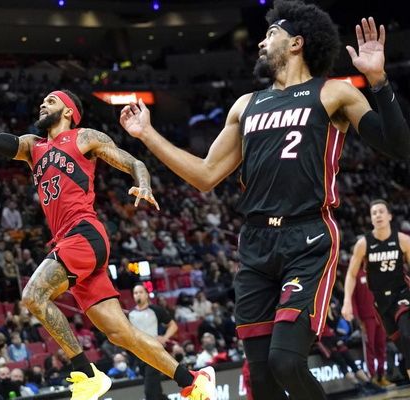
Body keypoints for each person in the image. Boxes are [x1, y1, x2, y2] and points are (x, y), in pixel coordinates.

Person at [121, 0, 410, 395]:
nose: (260, 42)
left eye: (271, 34)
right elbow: (205, 176)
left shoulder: (333, 93)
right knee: (260, 377)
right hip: (256, 243)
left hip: (307, 237)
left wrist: (378, 81)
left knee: (285, 362)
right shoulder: (246, 105)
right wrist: (146, 134)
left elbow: (398, 146)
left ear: (296, 43)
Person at [0, 54, 215, 400]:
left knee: (33, 296)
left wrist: (144, 184)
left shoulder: (84, 137)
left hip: (83, 233)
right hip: (73, 244)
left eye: (51, 100)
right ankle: (192, 380)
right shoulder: (32, 146)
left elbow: (134, 162)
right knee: (122, 334)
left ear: (68, 111)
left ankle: (87, 374)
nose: (43, 104)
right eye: (43, 101)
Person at [342, 199, 410, 381]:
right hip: (381, 303)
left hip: (402, 295)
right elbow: (351, 275)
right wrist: (347, 301)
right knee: (404, 347)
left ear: (390, 216)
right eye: (374, 213)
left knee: (408, 336)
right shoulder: (363, 244)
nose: (378, 215)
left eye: (381, 211)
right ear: (371, 219)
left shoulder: (403, 240)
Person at [128, 284, 178, 400]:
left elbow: (173, 326)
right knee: (156, 392)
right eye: (135, 293)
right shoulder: (130, 314)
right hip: (139, 355)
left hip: (154, 353)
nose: (138, 295)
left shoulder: (155, 310)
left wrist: (164, 338)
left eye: (141, 292)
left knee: (149, 392)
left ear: (146, 295)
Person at [348, 257, 390, 387]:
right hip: (366, 319)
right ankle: (372, 377)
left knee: (381, 346)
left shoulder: (377, 273)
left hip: (380, 316)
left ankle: (382, 376)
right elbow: (353, 299)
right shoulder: (355, 275)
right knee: (369, 347)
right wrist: (358, 319)